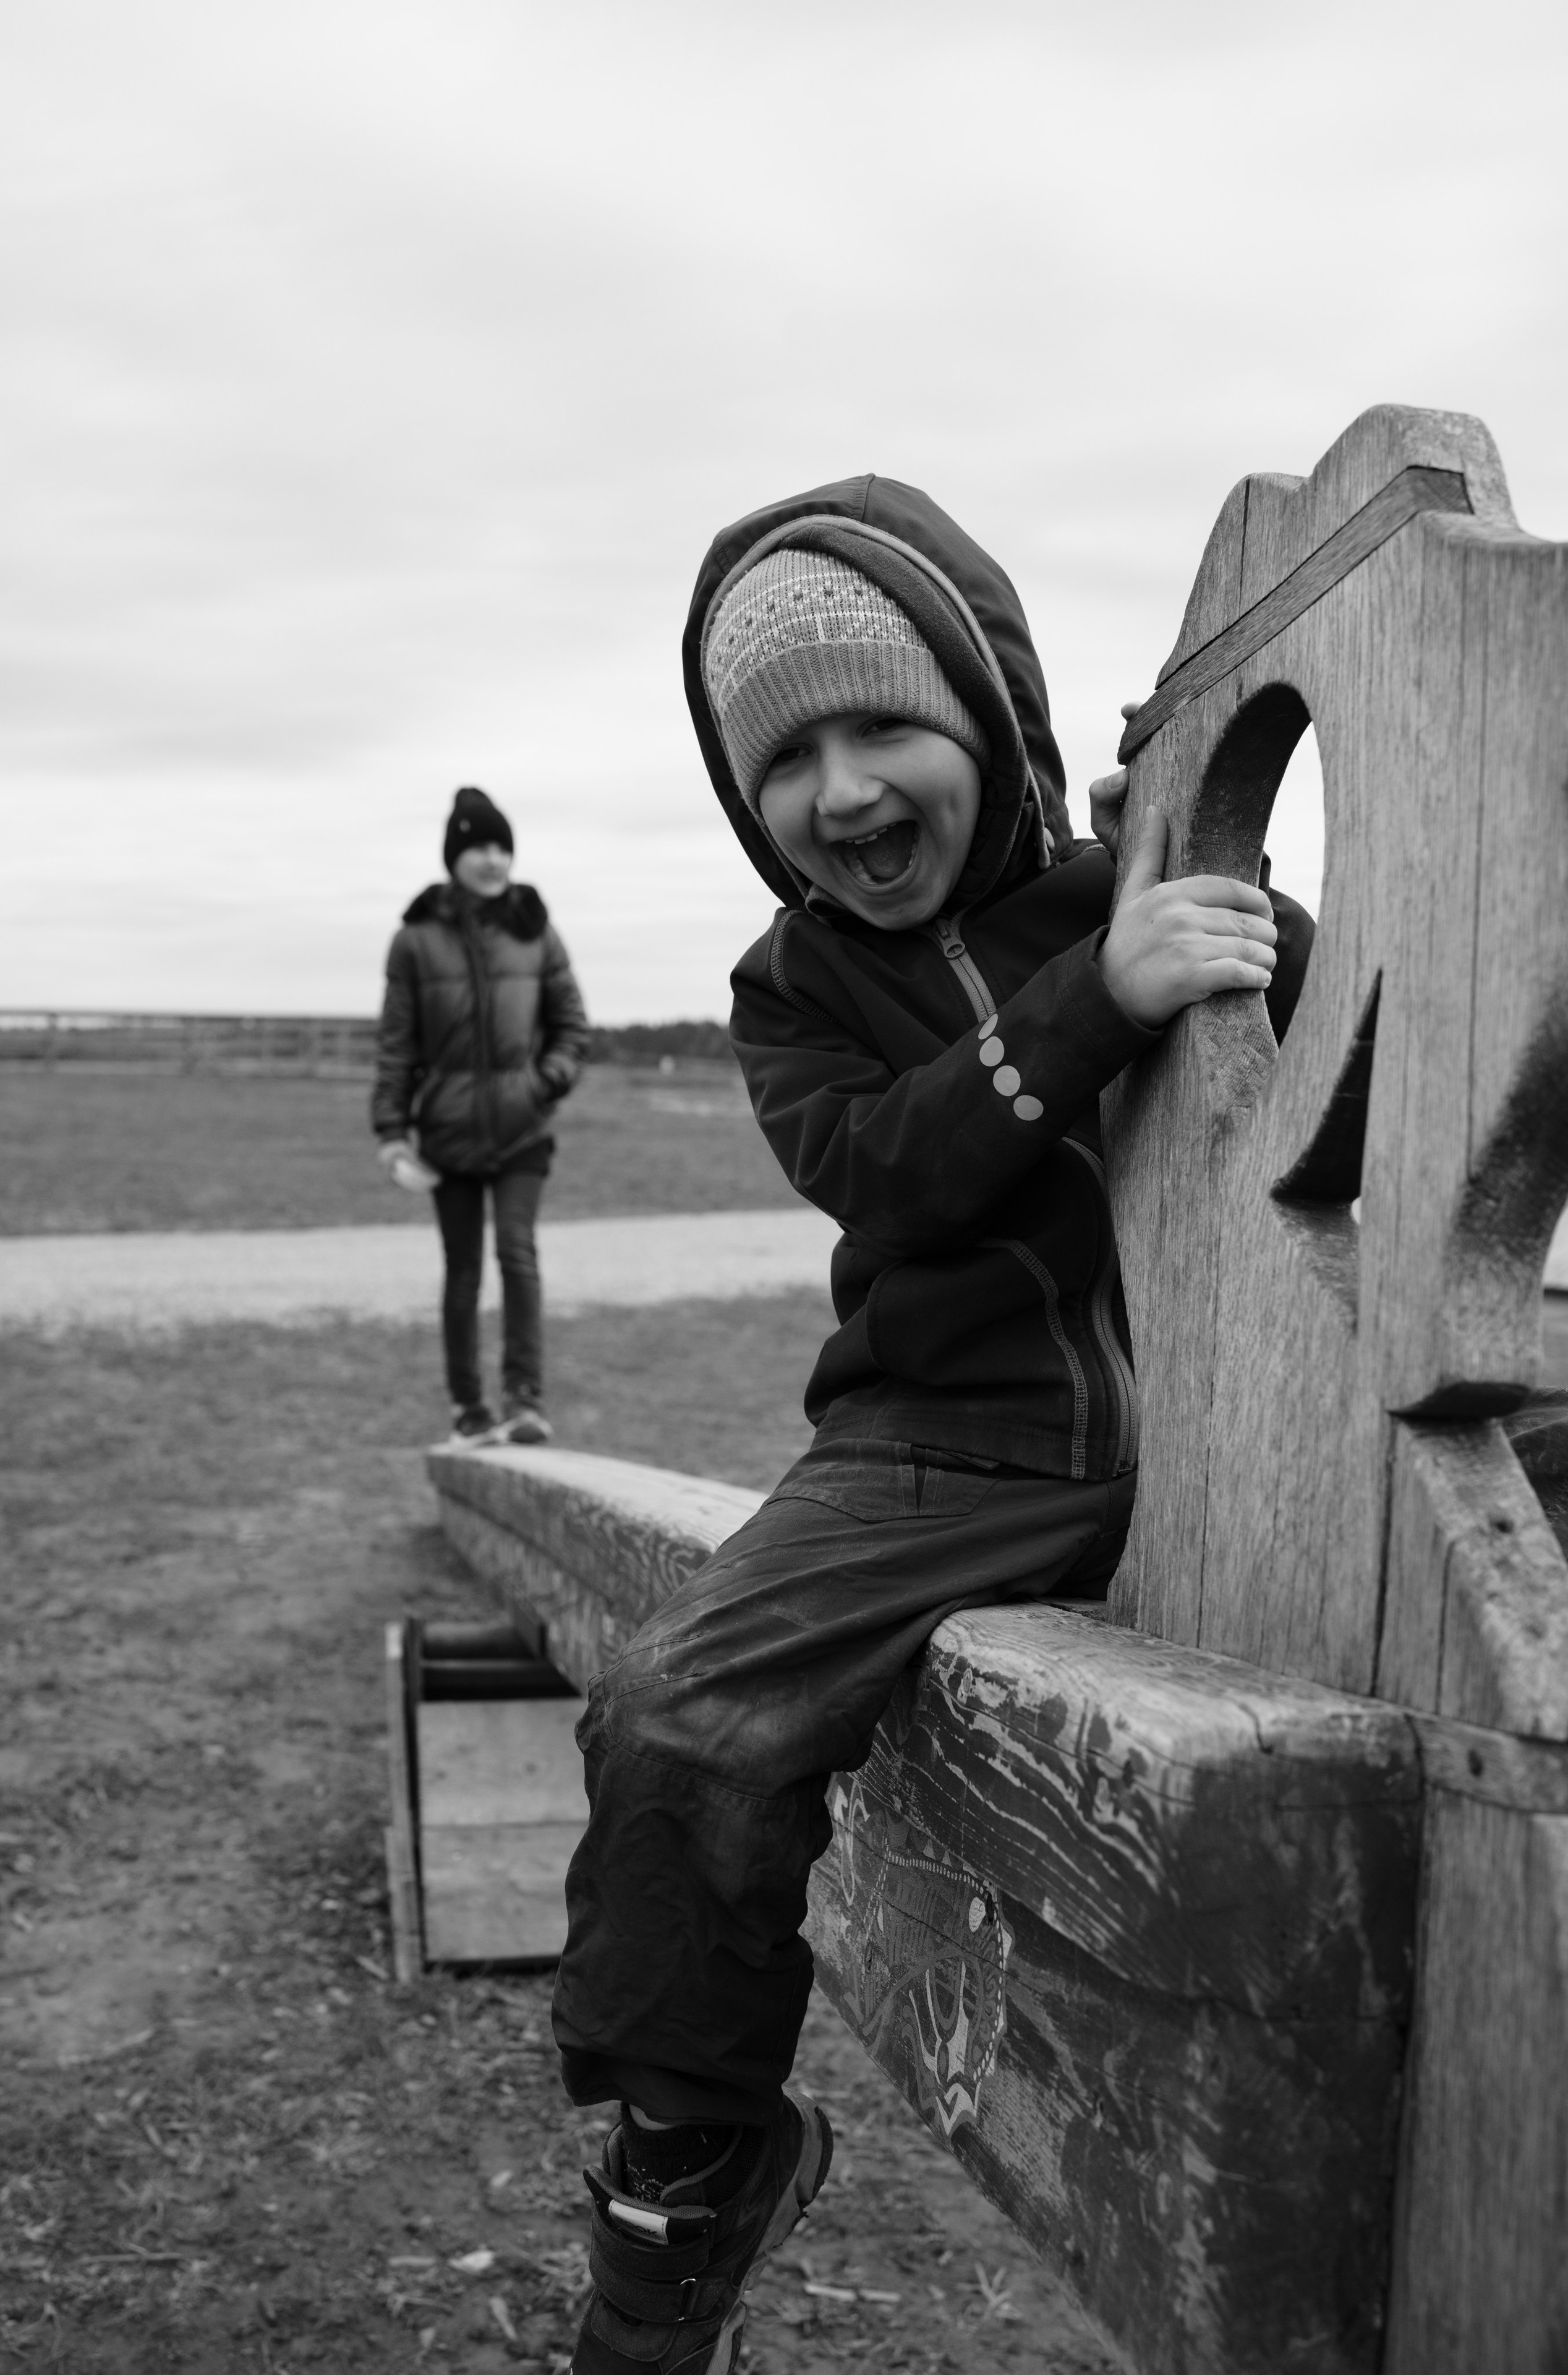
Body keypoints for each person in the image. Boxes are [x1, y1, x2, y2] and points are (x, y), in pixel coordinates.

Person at [552, 479, 1313, 2375]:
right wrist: (1083, 998)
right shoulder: (791, 985)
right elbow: (891, 1176)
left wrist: (1205, 869)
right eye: (784, 759)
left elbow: (1330, 1072)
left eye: (884, 725)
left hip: (1221, 1426)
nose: (842, 790)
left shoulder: (1108, 892)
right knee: (671, 1714)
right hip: (942, 1451)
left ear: (989, 718)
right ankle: (689, 2154)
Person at [373, 785, 589, 1444]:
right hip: (447, 1134)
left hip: (523, 1128)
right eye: (479, 848)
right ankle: (469, 1409)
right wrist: (391, 1132)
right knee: (462, 1271)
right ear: (454, 856)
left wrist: (543, 1084)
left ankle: (525, 1401)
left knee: (517, 1253)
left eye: (502, 847)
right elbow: (396, 1046)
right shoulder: (414, 942)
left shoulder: (536, 930)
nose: (493, 861)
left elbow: (572, 1028)